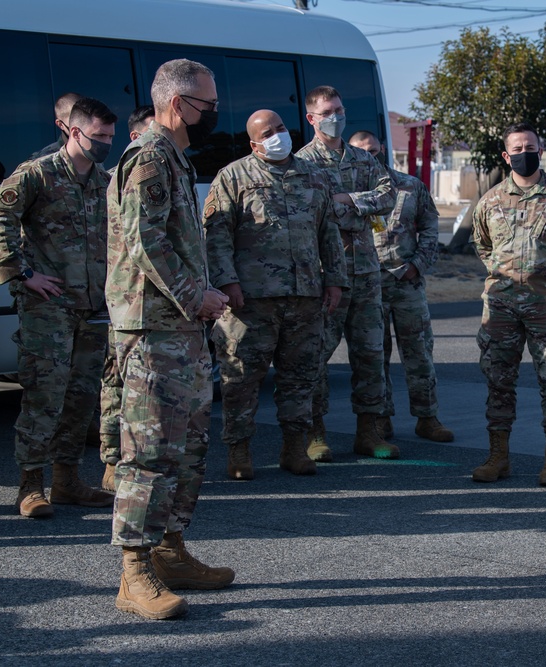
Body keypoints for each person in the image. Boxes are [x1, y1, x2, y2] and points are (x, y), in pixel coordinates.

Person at [107, 58, 234, 620]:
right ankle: (134, 574)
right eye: (207, 106)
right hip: (154, 328)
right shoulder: (149, 158)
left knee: (188, 449)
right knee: (149, 453)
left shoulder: (175, 159)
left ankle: (170, 550)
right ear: (178, 105)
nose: (213, 116)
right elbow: (145, 243)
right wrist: (195, 296)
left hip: (181, 329)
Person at [0, 97, 117, 518]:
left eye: (110, 138)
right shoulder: (36, 174)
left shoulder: (106, 181)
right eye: (99, 137)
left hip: (94, 307)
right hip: (49, 308)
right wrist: (21, 274)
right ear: (73, 131)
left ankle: (67, 481)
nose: (105, 145)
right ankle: (30, 486)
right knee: (44, 397)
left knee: (80, 400)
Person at [206, 109, 347, 480]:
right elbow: (217, 236)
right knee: (240, 380)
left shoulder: (315, 176)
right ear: (254, 143)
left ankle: (295, 449)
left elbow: (329, 234)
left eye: (281, 128)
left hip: (305, 297)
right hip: (250, 301)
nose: (277, 136)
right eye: (267, 132)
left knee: (301, 377)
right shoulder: (233, 177)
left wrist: (335, 281)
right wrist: (227, 282)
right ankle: (239, 452)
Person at [470, 121, 546, 486]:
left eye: (531, 147)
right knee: (498, 381)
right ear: (507, 156)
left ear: (541, 151)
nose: (525, 154)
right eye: (518, 149)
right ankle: (498, 457)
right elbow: (482, 246)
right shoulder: (490, 201)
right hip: (502, 307)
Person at [295, 86, 397, 461]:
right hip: (325, 277)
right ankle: (315, 432)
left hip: (367, 273)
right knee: (316, 356)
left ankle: (369, 433)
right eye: (327, 111)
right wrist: (354, 210)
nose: (335, 116)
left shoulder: (363, 160)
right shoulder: (301, 163)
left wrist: (349, 200)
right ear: (312, 118)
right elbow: (310, 211)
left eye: (339, 109)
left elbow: (388, 196)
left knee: (371, 354)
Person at [347, 131, 454, 443]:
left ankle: (427, 417)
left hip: (407, 283)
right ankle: (380, 420)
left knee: (419, 353)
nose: (369, 156)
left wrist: (418, 265)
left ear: (382, 148)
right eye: (361, 152)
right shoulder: (348, 193)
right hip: (368, 285)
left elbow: (431, 228)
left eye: (373, 149)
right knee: (372, 356)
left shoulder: (410, 186)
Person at [100, 104, 157, 492]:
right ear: (137, 138)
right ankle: (111, 461)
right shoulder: (116, 179)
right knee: (116, 383)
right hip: (122, 299)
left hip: (152, 303)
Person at [29, 92, 82, 160]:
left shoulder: (96, 152)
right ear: (60, 124)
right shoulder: (43, 160)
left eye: (88, 119)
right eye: (76, 121)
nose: (83, 125)